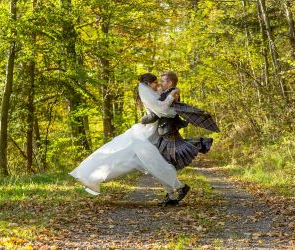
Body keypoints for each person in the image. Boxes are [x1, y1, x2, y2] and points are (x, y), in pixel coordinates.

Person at [69, 73, 188, 206]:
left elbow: (163, 99)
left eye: (160, 82)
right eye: (155, 83)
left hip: (151, 133)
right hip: (146, 134)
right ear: (149, 84)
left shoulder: (153, 93)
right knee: (143, 160)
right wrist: (172, 95)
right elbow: (161, 109)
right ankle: (91, 176)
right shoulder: (148, 95)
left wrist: (173, 92)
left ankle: (173, 193)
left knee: (153, 162)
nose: (158, 84)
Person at [141, 72, 214, 202]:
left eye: (162, 81)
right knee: (162, 166)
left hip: (169, 134)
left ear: (169, 83)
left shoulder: (172, 93)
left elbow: (158, 113)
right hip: (164, 134)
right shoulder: (166, 92)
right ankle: (171, 194)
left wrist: (143, 120)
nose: (159, 84)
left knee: (162, 165)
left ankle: (199, 144)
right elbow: (157, 94)